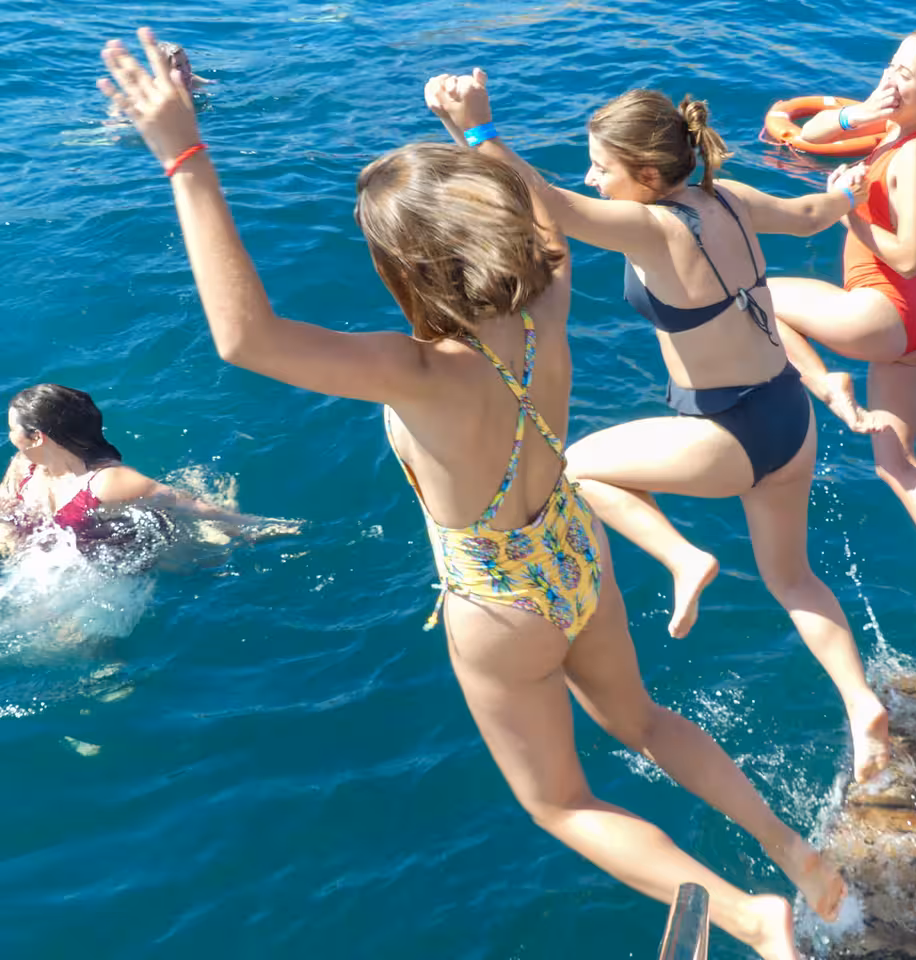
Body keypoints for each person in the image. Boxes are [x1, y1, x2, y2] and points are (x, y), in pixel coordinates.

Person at [97, 29, 846, 959]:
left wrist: (185, 156)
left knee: (560, 801)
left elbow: (246, 337)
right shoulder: (548, 303)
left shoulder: (417, 371)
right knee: (644, 721)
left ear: (400, 269)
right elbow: (539, 220)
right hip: (577, 552)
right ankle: (792, 853)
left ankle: (749, 915)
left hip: (500, 598)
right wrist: (473, 132)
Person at [425, 71, 892, 784]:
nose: (591, 177)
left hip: (727, 429)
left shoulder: (651, 225)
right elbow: (806, 214)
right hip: (789, 415)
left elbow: (546, 203)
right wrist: (846, 194)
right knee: (794, 579)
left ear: (645, 175)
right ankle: (862, 706)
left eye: (602, 168)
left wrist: (481, 127)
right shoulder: (727, 198)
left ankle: (682, 559)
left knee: (573, 468)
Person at [767, 25, 916, 646]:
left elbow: (908, 255)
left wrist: (845, 211)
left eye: (905, 74)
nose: (891, 77)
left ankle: (827, 383)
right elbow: (809, 137)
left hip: (886, 307)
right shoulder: (898, 128)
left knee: (751, 295)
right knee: (896, 464)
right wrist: (867, 108)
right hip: (914, 325)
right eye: (891, 64)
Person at [1, 383, 250, 556]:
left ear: (37, 438)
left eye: (12, 429)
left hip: (119, 567)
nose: (10, 436)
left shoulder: (107, 482)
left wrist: (266, 528)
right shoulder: (24, 466)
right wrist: (17, 549)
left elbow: (193, 506)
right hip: (49, 564)